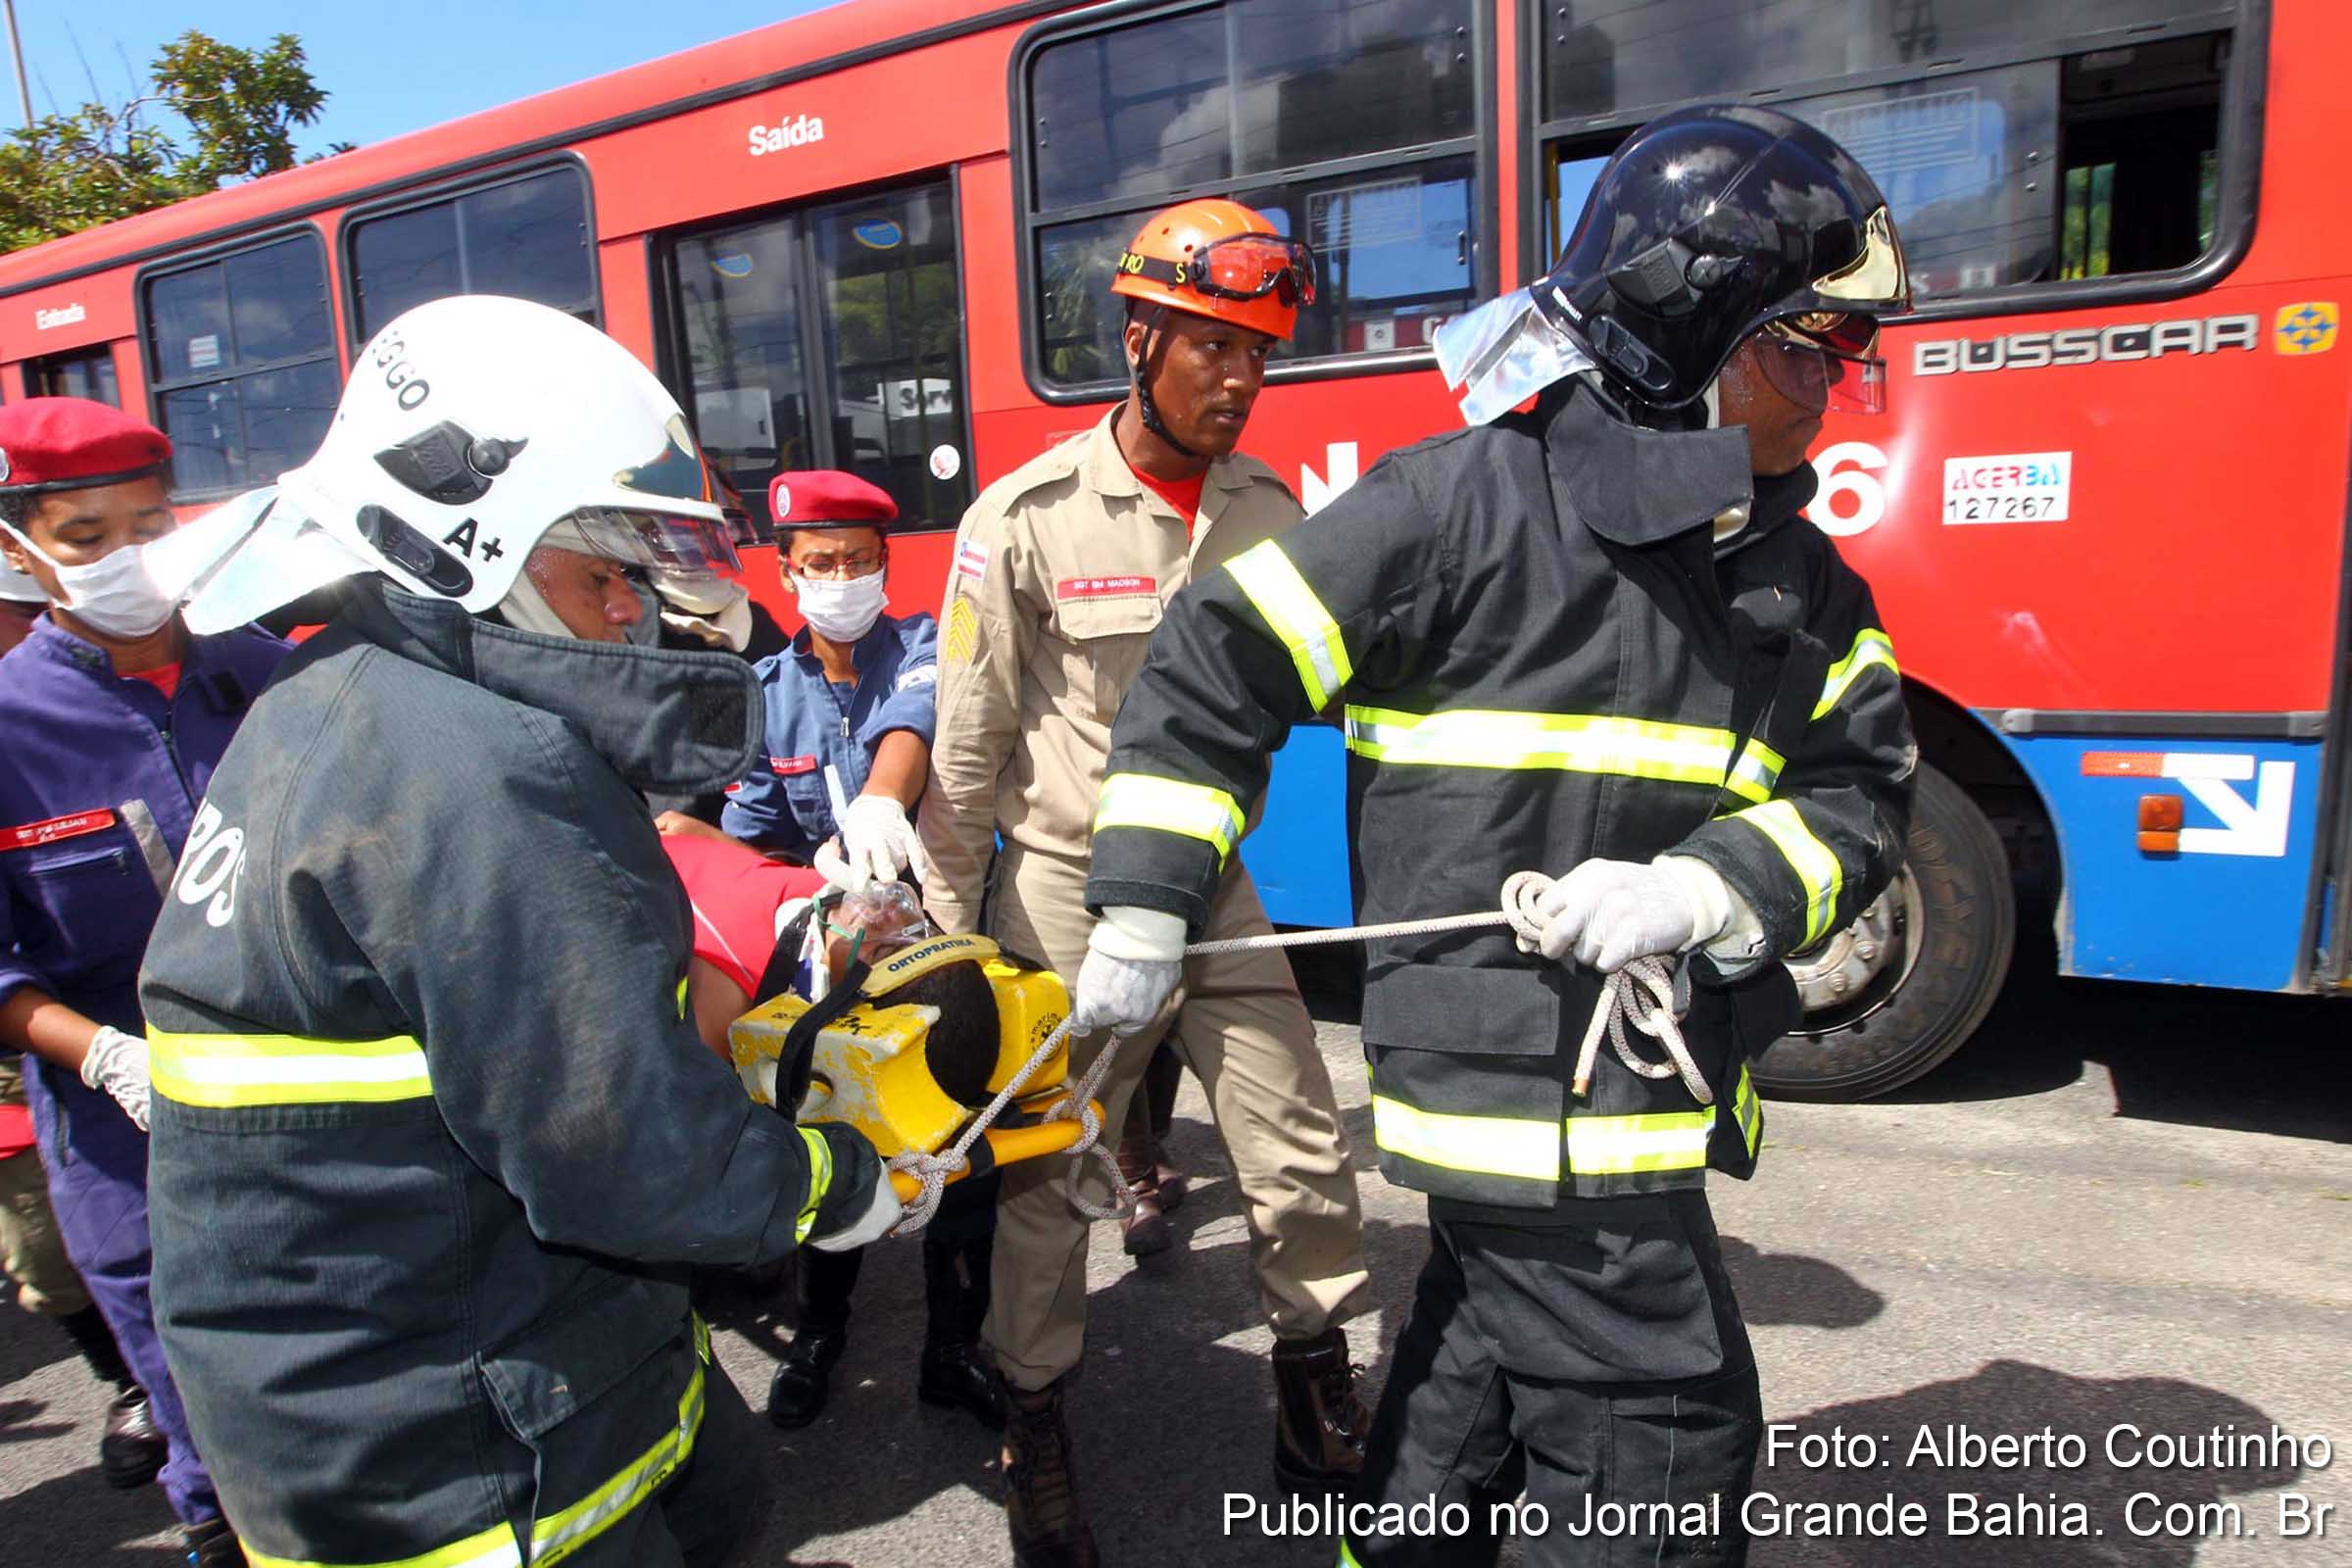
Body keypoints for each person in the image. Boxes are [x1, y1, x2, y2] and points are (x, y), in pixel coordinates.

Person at [1074, 107, 1918, 1568]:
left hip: (1642, 1080)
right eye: (1811, 348)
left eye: (1849, 356)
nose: (1837, 394)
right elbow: (1215, 667)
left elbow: (1862, 803)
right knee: (1665, 1443)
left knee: (1469, 1395)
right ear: (1694, 326)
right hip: (1514, 1101)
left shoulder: (1806, 581)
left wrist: (1703, 890)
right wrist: (1147, 901)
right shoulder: (1452, 513)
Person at [134, 295, 896, 1568]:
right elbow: (626, 1152)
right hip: (463, 1454)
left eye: (644, 572)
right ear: (461, 551)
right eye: (602, 570)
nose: (631, 611)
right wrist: (846, 1184)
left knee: (721, 1494)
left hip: (474, 1350)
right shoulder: (480, 769)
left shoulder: (339, 698)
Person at [922, 196, 1372, 1566]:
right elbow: (967, 749)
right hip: (1063, 894)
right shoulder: (1026, 519)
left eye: (1259, 354)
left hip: (1215, 890)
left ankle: (1312, 1397)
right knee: (1050, 1181)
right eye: (1214, 348)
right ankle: (1036, 1418)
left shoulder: (1267, 511)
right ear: (1140, 337)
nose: (1241, 379)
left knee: (1299, 1149)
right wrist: (940, 952)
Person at [0, 397, 282, 1565]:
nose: (128, 557)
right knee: (203, 1390)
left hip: (309, 1087)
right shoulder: (11, 725)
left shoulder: (276, 678)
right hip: (127, 1131)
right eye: (84, 535)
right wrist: (105, 1055)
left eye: (151, 523)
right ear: (19, 550)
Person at [664, 819, 1005, 1434]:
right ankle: (816, 1337)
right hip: (694, 951)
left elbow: (686, 832)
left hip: (745, 926)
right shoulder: (715, 992)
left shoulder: (858, 920)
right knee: (820, 1159)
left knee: (967, 1153)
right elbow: (687, 1134)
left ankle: (953, 1352)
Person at [1, 1048, 168, 1491]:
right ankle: (134, 1382)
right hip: (14, 1071)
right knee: (42, 1258)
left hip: (103, 1012)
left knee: (148, 1227)